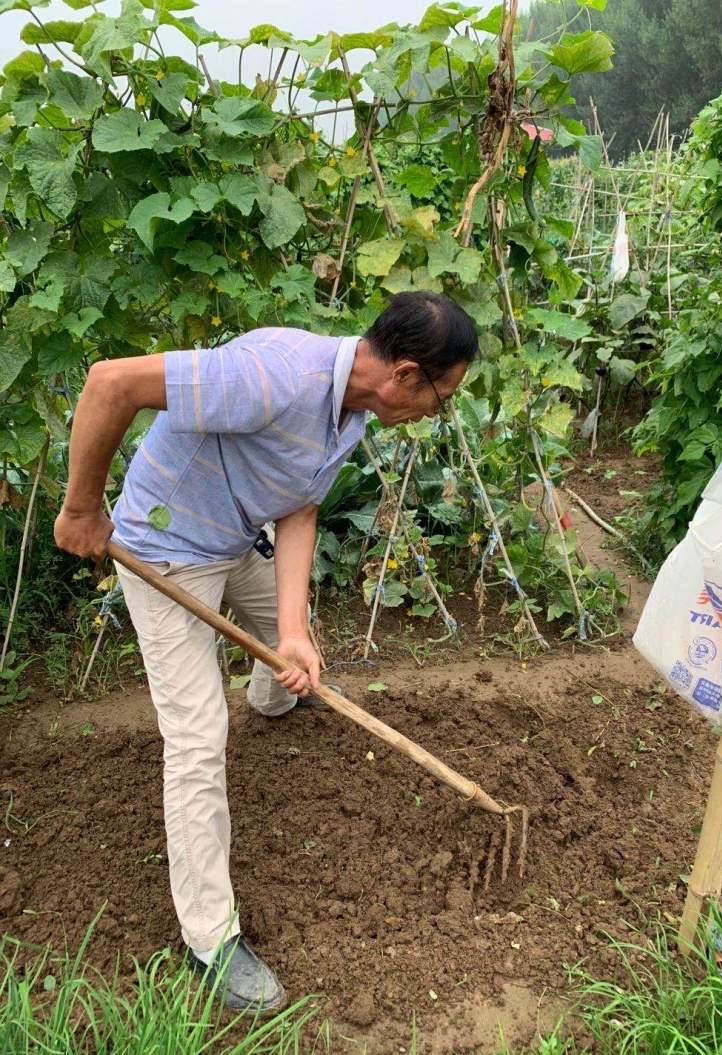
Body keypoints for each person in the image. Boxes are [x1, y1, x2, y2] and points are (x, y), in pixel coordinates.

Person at [54, 290, 478, 1013]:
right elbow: (110, 382)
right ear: (406, 374)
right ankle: (210, 939)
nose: (435, 413)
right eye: (441, 397)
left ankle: (273, 692)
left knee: (295, 653)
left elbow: (299, 506)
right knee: (196, 737)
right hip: (166, 550)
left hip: (233, 538)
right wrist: (82, 507)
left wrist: (290, 630)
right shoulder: (275, 375)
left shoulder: (351, 406)